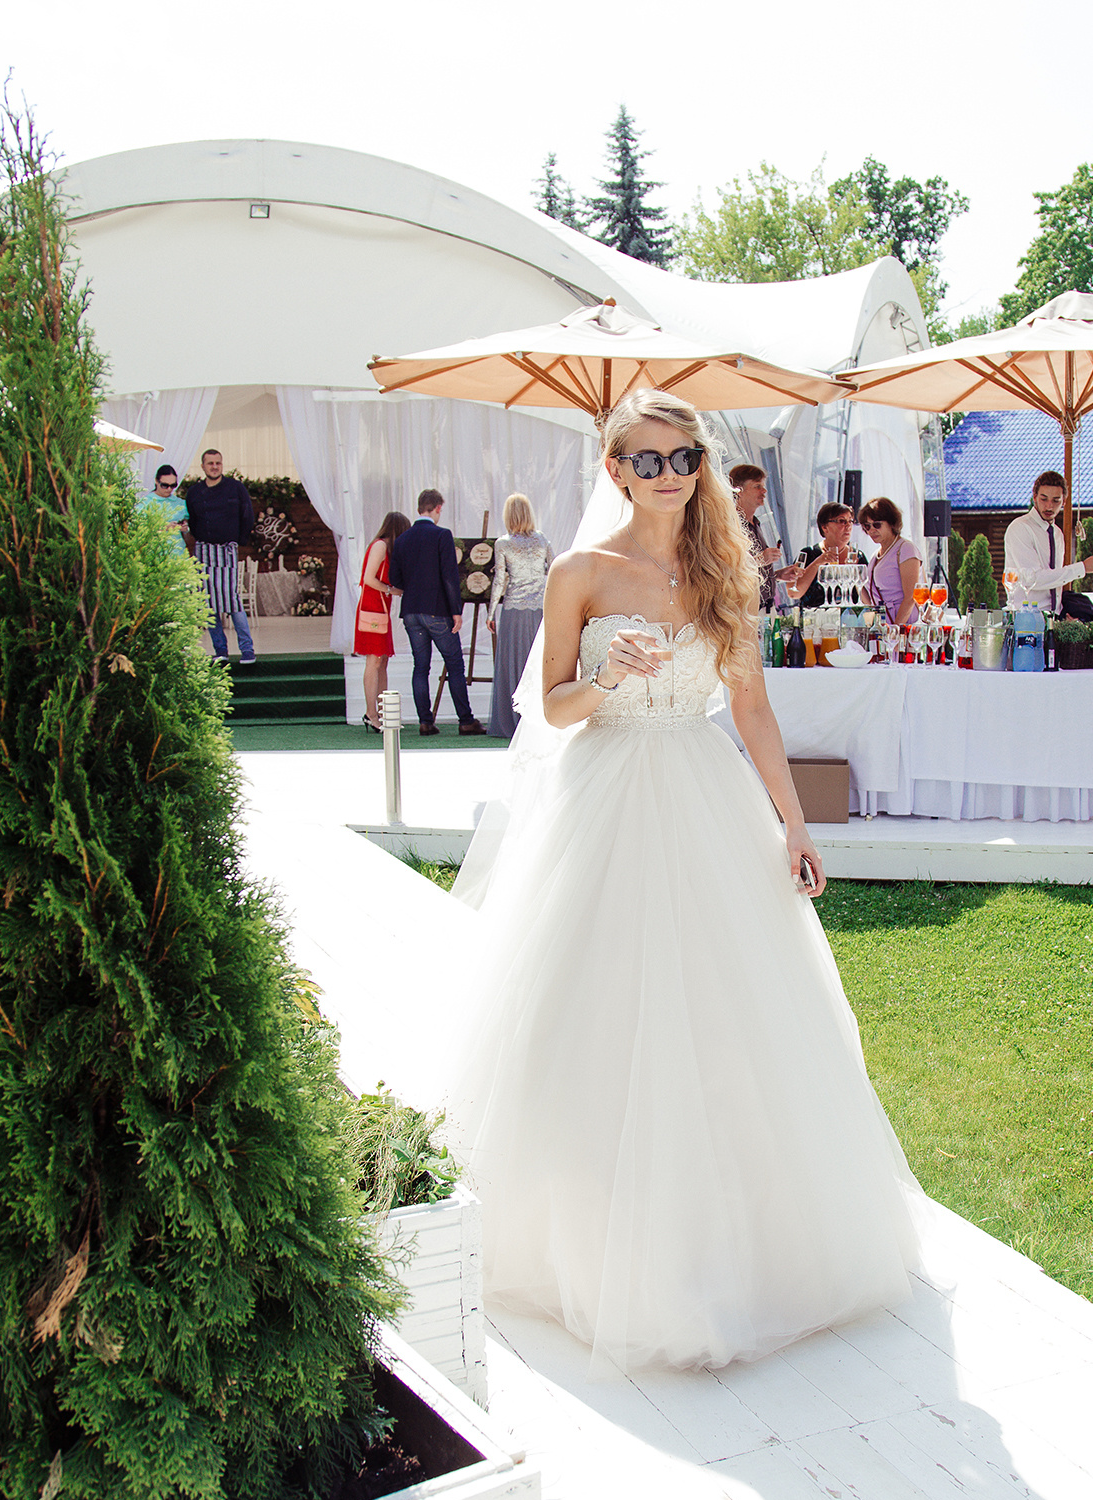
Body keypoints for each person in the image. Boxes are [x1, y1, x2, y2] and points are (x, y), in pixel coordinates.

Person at [443, 388, 919, 1374]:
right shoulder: (580, 570)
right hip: (605, 795)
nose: (668, 474)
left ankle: (739, 1242)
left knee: (729, 1013)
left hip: (706, 796)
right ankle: (591, 1235)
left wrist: (793, 820)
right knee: (595, 1009)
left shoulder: (723, 570)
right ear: (614, 470)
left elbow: (752, 711)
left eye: (684, 457)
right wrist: (606, 672)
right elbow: (557, 711)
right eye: (647, 459)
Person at [391, 489, 486, 736]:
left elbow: (395, 579)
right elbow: (450, 576)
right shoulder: (442, 535)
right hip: (438, 612)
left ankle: (425, 721)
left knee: (420, 667)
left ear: (419, 507)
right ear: (438, 508)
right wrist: (456, 611)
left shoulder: (402, 540)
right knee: (454, 665)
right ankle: (465, 720)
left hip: (411, 611)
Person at [1002, 471, 1093, 612]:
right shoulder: (1020, 528)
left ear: (1064, 501)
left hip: (1054, 618)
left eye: (1056, 501)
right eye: (1044, 499)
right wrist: (1083, 568)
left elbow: (1055, 580)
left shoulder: (1057, 533)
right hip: (1026, 617)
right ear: (1035, 497)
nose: (1049, 506)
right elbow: (1034, 579)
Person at [183, 449, 257, 664]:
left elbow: (247, 515)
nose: (214, 466)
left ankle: (247, 650)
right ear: (203, 466)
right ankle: (220, 650)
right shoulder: (194, 492)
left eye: (218, 463)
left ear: (222, 465)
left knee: (232, 599)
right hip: (204, 550)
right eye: (210, 463)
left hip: (227, 549)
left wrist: (238, 540)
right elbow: (193, 521)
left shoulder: (235, 488)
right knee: (208, 602)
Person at [487, 493, 551, 736]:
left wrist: (491, 612)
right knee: (537, 661)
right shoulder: (542, 540)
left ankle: (512, 719)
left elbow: (500, 581)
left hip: (514, 611)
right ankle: (539, 718)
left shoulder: (503, 543)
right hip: (538, 610)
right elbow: (553, 570)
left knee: (513, 662)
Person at [354, 511, 408, 731]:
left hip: (380, 607)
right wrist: (391, 590)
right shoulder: (380, 546)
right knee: (374, 661)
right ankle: (371, 713)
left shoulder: (384, 547)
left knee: (382, 661)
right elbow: (367, 578)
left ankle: (381, 712)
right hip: (373, 607)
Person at [729, 463, 797, 612]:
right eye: (757, 486)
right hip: (744, 611)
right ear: (739, 490)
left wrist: (777, 575)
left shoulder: (755, 523)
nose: (764, 491)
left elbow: (752, 573)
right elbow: (728, 569)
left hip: (764, 609)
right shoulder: (730, 526)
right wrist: (761, 559)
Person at [860, 498, 922, 625]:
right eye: (867, 526)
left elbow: (911, 597)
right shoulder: (875, 555)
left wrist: (896, 630)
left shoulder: (905, 548)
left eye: (877, 524)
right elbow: (870, 598)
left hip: (904, 623)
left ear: (891, 523)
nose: (871, 530)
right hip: (884, 624)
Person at [141, 464, 191, 559]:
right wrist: (164, 527)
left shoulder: (180, 503)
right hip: (153, 556)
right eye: (165, 485)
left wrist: (185, 526)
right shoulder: (145, 503)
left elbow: (191, 524)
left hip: (178, 555)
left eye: (173, 486)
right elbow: (138, 529)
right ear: (156, 481)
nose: (169, 489)